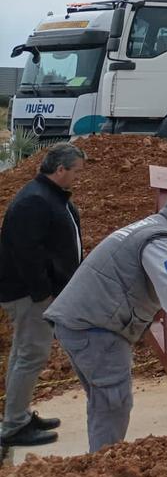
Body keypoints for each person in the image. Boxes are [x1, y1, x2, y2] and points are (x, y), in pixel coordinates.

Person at [44, 186, 167, 452]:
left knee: (103, 401)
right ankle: (105, 464)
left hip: (78, 322)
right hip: (97, 329)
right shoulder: (162, 240)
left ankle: (97, 460)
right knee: (114, 403)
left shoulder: (149, 227)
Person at [0, 143, 86, 451]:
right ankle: (14, 425)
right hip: (29, 295)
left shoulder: (48, 195)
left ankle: (19, 415)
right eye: (76, 171)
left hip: (35, 292)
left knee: (24, 352)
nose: (78, 177)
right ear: (60, 169)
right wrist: (43, 294)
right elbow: (27, 254)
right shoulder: (35, 201)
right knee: (31, 354)